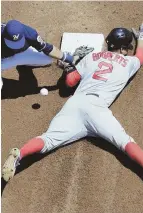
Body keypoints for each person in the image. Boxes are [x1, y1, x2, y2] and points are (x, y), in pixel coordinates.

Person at [2, 24, 143, 182]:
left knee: (48, 139)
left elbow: (70, 82)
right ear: (124, 48)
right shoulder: (130, 62)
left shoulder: (92, 56)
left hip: (75, 103)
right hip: (97, 110)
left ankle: (20, 153)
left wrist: (69, 67)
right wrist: (141, 37)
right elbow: (140, 55)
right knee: (125, 142)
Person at [1, 20, 85, 89]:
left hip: (18, 55)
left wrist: (69, 59)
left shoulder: (29, 33)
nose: (15, 46)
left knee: (47, 59)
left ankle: (22, 65)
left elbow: (48, 49)